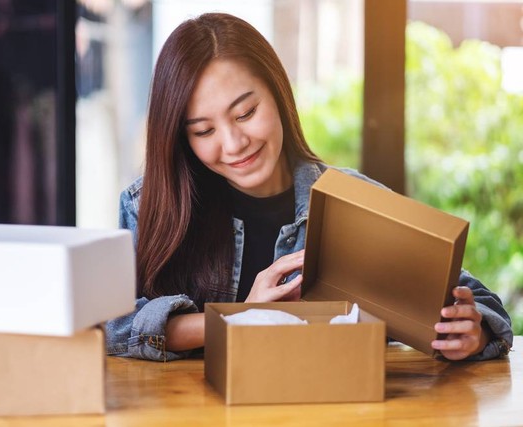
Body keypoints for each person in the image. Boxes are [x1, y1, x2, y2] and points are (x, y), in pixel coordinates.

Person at [106, 12, 513, 362]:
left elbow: (484, 306)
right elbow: (113, 324)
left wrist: (471, 333)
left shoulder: (351, 203)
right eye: (204, 130)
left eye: (246, 112)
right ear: (181, 138)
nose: (232, 144)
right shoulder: (152, 205)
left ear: (279, 94)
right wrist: (236, 318)